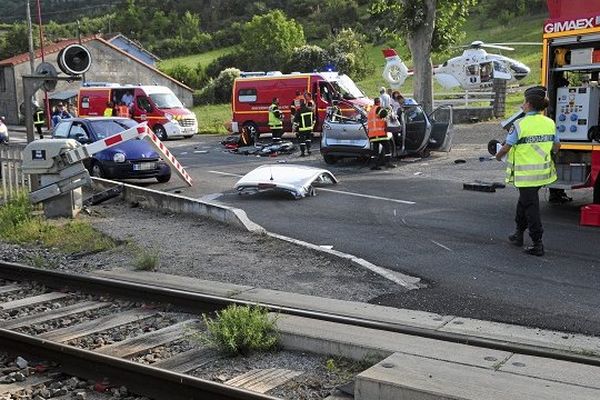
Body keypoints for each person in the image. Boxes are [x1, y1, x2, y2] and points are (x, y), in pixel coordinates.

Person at [495, 86, 559, 256]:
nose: (522, 105)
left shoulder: (519, 124)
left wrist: (497, 155)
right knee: (523, 202)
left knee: (530, 206)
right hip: (542, 174)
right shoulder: (549, 122)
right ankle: (518, 234)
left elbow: (507, 147)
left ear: (529, 104)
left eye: (523, 102)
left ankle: (537, 243)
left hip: (525, 176)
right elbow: (557, 146)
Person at [367, 97, 395, 170]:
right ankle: (388, 163)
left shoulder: (371, 110)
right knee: (387, 147)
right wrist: (389, 109)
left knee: (375, 150)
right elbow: (383, 114)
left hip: (372, 134)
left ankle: (374, 165)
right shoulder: (378, 109)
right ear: (379, 102)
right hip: (380, 134)